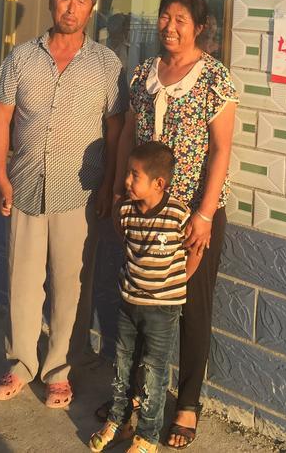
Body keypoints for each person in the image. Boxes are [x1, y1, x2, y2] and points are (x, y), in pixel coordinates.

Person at [0, 0, 127, 407]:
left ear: (92, 9)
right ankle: (20, 364)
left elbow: (116, 129)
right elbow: (1, 118)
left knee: (72, 287)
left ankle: (59, 371)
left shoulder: (106, 64)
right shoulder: (21, 57)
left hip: (80, 193)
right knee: (22, 282)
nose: (71, 7)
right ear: (51, 2)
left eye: (81, 0)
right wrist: (0, 176)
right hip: (25, 186)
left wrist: (109, 185)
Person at [112, 0, 238, 448]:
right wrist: (118, 191)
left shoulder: (214, 78)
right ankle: (136, 398)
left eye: (181, 19)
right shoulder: (144, 72)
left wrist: (203, 214)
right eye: (165, 16)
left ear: (199, 28)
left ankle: (187, 403)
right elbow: (128, 135)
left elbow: (221, 150)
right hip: (144, 210)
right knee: (141, 303)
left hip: (192, 214)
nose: (170, 26)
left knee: (190, 307)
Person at [89, 141, 200, 453]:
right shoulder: (124, 211)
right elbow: (124, 236)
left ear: (158, 183)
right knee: (123, 365)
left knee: (154, 372)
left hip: (162, 309)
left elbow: (195, 251)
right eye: (127, 173)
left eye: (134, 175)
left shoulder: (178, 214)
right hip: (129, 302)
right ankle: (119, 422)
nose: (126, 181)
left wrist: (176, 282)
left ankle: (148, 437)